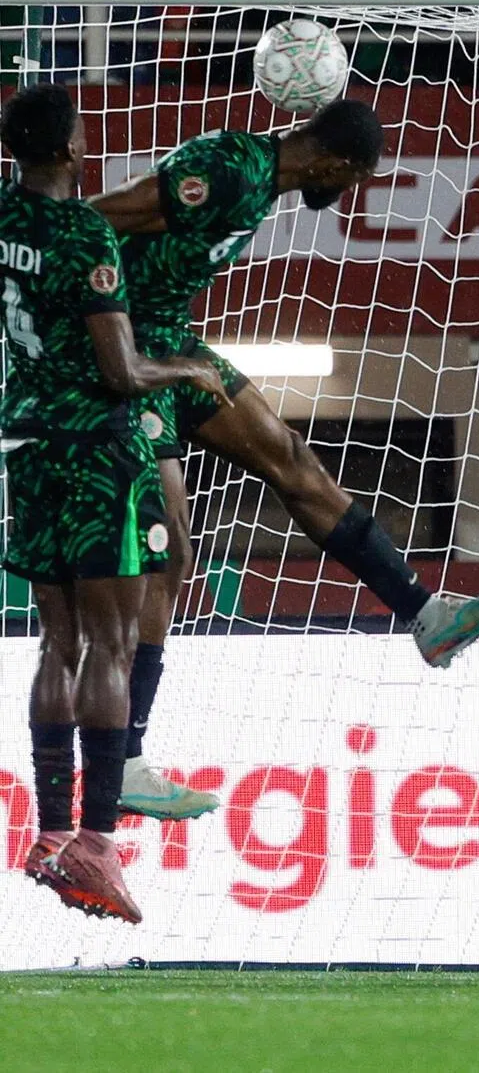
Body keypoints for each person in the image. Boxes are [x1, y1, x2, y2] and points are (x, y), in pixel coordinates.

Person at [90, 100, 479, 822]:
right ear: (333, 164)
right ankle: (125, 761)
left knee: (292, 460)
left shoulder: (260, 182)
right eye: (355, 178)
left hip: (173, 340)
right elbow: (98, 220)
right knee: (168, 554)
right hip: (127, 351)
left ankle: (427, 617)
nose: (349, 192)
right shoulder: (225, 168)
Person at [0, 83, 231, 921]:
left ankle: (51, 832)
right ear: (68, 150)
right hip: (97, 452)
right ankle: (97, 843)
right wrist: (192, 371)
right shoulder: (83, 234)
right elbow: (121, 372)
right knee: (110, 642)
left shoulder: (4, 221)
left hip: (24, 445)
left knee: (54, 642)